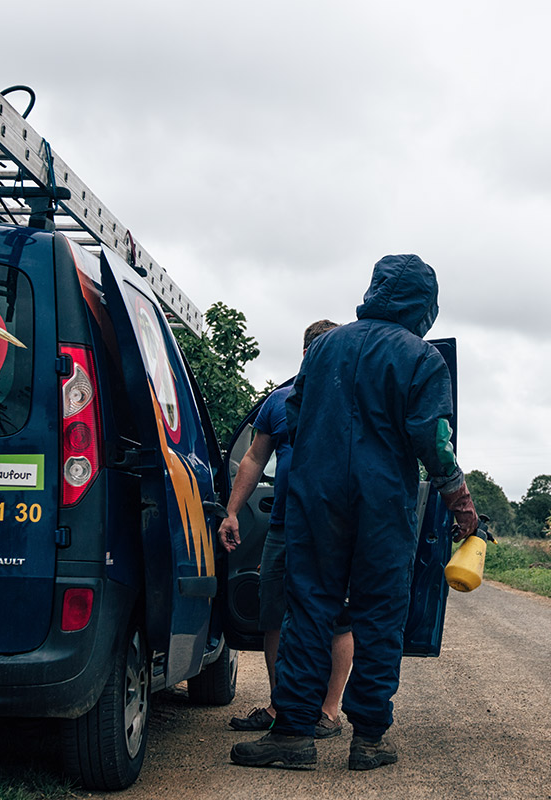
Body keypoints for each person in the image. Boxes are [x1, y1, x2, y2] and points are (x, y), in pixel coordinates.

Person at [231, 254, 479, 771]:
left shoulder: (323, 347)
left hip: (316, 500)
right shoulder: (423, 358)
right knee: (379, 615)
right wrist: (460, 503)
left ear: (374, 289)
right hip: (383, 504)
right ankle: (368, 739)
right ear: (425, 305)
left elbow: (293, 417)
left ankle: (292, 736)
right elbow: (434, 441)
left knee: (307, 608)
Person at [219, 320, 353, 739]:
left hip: (333, 528)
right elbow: (254, 459)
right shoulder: (278, 401)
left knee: (338, 619)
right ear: (304, 353)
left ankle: (328, 712)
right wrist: (232, 512)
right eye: (315, 349)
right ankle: (282, 707)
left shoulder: (351, 399)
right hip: (282, 526)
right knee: (273, 613)